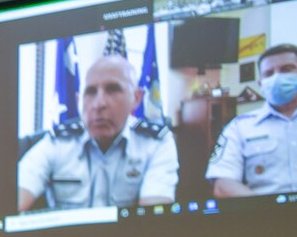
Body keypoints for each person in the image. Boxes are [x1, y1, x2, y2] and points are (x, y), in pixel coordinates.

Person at [16, 51, 179, 211]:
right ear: (79, 101)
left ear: (136, 98)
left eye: (113, 89)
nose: (99, 104)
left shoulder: (157, 143)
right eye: (90, 92)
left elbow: (153, 221)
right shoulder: (57, 142)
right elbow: (13, 199)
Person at [207, 43, 297, 198]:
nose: (277, 77)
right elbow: (223, 185)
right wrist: (267, 212)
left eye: (286, 69)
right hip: (266, 217)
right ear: (260, 83)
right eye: (269, 73)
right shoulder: (238, 127)